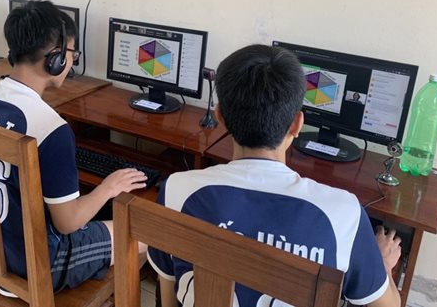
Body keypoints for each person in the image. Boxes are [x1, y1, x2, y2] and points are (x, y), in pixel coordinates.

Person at [148, 44, 401, 307]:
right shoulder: (344, 213)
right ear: (297, 124)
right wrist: (381, 265)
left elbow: (168, 300)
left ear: (220, 117)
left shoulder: (176, 190)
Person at [0, 0, 147, 294]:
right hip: (36, 264)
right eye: (72, 53)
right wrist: (108, 187)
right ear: (55, 58)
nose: (72, 62)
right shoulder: (50, 128)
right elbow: (68, 223)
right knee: (140, 234)